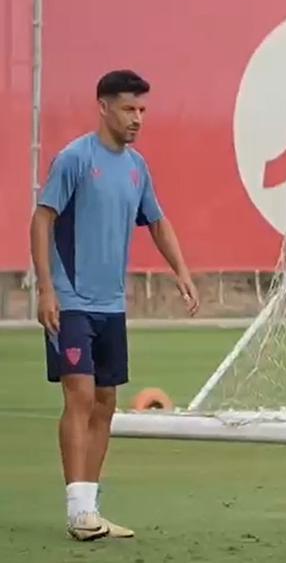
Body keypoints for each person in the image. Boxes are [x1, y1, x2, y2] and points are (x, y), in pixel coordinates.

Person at [31, 69, 199, 541]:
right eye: (129, 108)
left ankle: (89, 509)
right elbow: (41, 221)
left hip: (112, 306)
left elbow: (159, 222)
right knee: (80, 396)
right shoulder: (75, 160)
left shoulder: (136, 167)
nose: (137, 118)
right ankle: (76, 512)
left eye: (143, 109)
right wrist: (46, 289)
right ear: (103, 106)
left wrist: (182, 273)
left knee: (106, 403)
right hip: (71, 302)